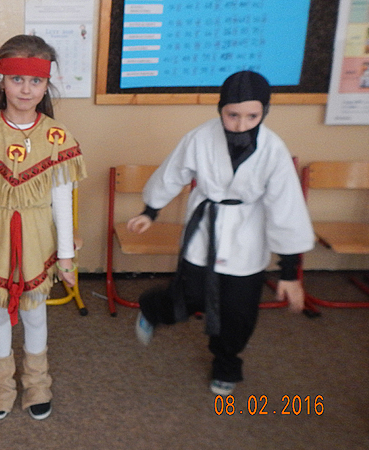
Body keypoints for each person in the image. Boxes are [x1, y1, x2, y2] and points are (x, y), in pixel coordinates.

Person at [127, 70, 314, 396]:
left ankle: (226, 364)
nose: (241, 124)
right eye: (233, 115)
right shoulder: (200, 138)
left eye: (252, 116)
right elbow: (172, 173)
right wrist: (150, 211)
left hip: (247, 235)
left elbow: (286, 208)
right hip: (205, 228)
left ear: (265, 111)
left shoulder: (273, 150)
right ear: (220, 109)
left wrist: (289, 271)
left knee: (239, 312)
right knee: (190, 296)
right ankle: (153, 310)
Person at [0, 34, 87, 421]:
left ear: (46, 85)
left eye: (35, 81)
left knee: (35, 312)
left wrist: (66, 256)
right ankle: (0, 387)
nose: (26, 89)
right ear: (2, 80)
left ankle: (37, 384)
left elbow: (62, 201)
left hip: (38, 236)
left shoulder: (56, 138)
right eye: (17, 79)